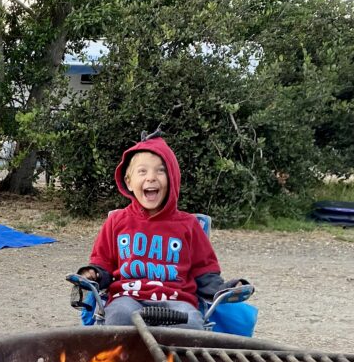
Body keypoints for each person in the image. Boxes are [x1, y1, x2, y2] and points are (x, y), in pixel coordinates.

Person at [78, 133, 238, 329]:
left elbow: (205, 273)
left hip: (178, 299)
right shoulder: (117, 222)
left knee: (191, 324)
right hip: (127, 297)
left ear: (172, 180)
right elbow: (103, 265)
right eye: (142, 171)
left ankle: (177, 361)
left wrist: (225, 289)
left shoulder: (189, 225)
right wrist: (92, 274)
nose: (151, 177)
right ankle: (125, 361)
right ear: (128, 181)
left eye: (160, 171)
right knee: (118, 316)